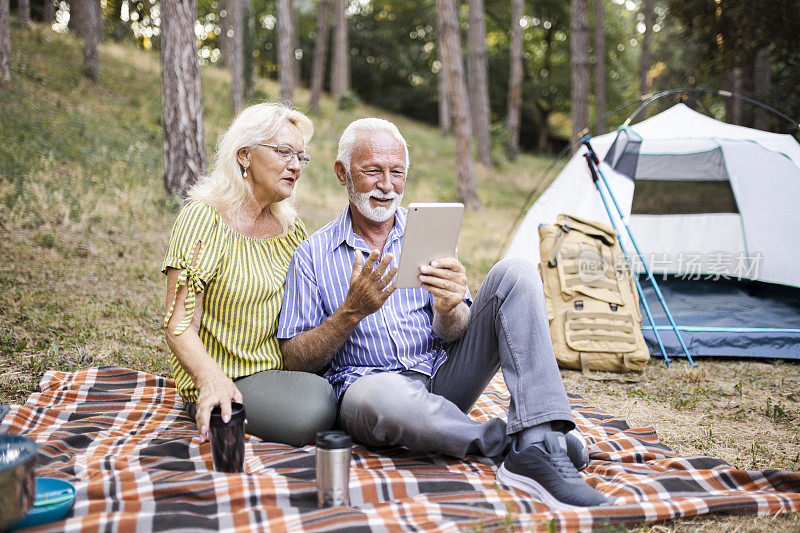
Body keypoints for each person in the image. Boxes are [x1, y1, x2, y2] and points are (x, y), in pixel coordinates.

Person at [277, 118, 609, 509]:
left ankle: (536, 440)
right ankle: (524, 442)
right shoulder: (311, 257)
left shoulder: (428, 233)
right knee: (382, 397)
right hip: (372, 391)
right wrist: (350, 313)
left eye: (396, 172)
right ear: (342, 173)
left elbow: (455, 332)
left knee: (515, 274)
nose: (387, 185)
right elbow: (296, 361)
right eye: (372, 171)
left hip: (443, 379)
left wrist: (448, 308)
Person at [162, 102, 336, 447]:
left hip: (280, 371)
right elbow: (178, 324)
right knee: (314, 412)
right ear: (244, 155)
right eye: (284, 152)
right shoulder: (204, 219)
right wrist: (210, 379)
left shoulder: (291, 229)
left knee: (350, 390)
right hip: (227, 376)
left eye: (301, 157)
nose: (296, 166)